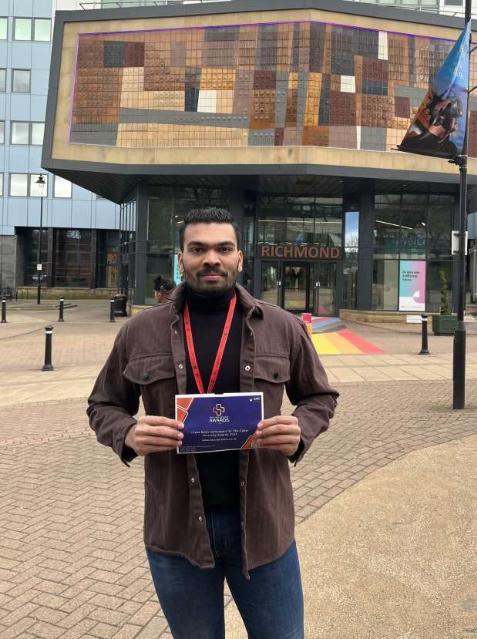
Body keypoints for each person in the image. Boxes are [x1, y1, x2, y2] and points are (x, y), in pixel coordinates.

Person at [87, 208, 338, 639]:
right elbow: (103, 404)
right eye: (198, 249)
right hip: (178, 532)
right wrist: (127, 433)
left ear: (240, 257)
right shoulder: (139, 332)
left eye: (223, 249)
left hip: (262, 529)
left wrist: (301, 428)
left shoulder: (283, 327)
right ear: (181, 258)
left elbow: (320, 396)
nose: (211, 259)